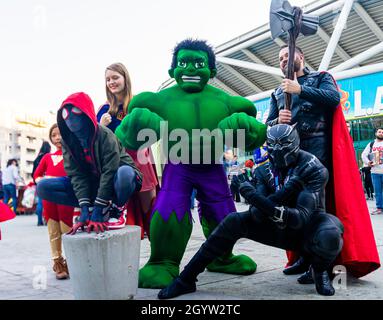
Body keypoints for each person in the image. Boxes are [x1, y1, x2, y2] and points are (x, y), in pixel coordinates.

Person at [115, 38, 266, 288]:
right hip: (178, 167)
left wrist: (249, 129)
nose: (191, 69)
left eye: (199, 63)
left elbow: (254, 137)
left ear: (212, 71)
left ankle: (221, 256)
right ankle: (162, 262)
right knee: (169, 209)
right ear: (172, 71)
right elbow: (125, 137)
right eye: (184, 62)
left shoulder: (226, 102)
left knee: (224, 211)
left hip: (212, 167)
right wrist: (136, 124)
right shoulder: (159, 100)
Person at [158, 124, 344, 298]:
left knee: (331, 233)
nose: (279, 152)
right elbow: (256, 214)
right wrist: (267, 197)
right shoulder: (263, 171)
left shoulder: (312, 168)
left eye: (284, 146)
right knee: (233, 221)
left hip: (307, 229)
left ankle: (318, 270)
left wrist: (254, 196)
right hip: (279, 226)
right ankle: (186, 278)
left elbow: (301, 219)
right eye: (274, 146)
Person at [266, 45, 380, 279]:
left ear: (301, 56)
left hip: (319, 151)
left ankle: (320, 263)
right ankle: (302, 257)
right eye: (280, 58)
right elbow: (269, 124)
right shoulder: (278, 92)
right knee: (295, 207)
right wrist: (278, 118)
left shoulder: (321, 78)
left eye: (288, 55)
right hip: (291, 156)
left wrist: (299, 89)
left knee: (317, 207)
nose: (284, 60)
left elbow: (333, 99)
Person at [37, 92, 142, 235]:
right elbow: (76, 176)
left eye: (75, 112)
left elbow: (109, 171)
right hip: (94, 186)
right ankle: (93, 206)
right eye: (65, 115)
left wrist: (100, 208)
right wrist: (85, 210)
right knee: (44, 187)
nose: (70, 120)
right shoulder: (68, 142)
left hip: (118, 182)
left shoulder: (105, 135)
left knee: (125, 173)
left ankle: (117, 209)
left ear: (86, 113)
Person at [97, 62, 159, 237]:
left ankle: (156, 240)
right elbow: (95, 140)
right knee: (123, 203)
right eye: (108, 79)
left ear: (125, 78)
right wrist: (101, 126)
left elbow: (152, 130)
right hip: (117, 161)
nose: (111, 82)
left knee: (149, 204)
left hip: (141, 157)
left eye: (115, 77)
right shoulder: (104, 109)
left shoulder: (137, 104)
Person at [33, 124, 75, 279]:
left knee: (68, 230)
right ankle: (58, 263)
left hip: (65, 197)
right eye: (54, 135)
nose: (57, 138)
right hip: (49, 199)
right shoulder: (46, 157)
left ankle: (73, 262)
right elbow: (37, 175)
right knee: (53, 231)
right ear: (50, 138)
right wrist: (45, 182)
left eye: (60, 134)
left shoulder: (72, 155)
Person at [361, 127, 383, 214]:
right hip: (375, 172)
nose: (381, 133)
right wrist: (368, 162)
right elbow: (363, 155)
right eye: (380, 132)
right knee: (377, 191)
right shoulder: (371, 144)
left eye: (382, 132)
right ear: (376, 133)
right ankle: (379, 208)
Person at [32, 141, 51, 226]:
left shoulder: (37, 158)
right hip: (48, 181)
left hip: (38, 181)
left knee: (40, 202)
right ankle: (48, 220)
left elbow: (33, 173)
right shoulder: (48, 157)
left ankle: (39, 221)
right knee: (48, 202)